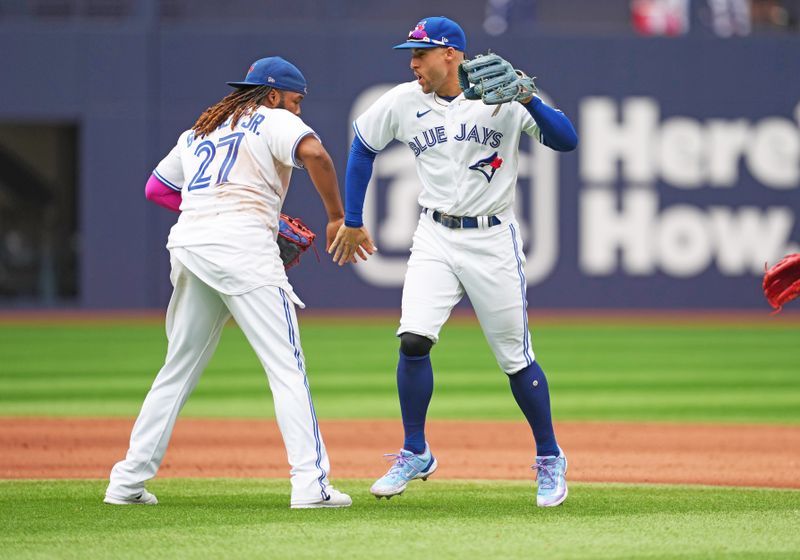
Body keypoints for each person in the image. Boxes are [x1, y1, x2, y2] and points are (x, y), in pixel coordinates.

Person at [329, 16, 578, 507]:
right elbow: (362, 146)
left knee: (514, 358)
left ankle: (550, 457)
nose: (412, 63)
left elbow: (566, 139)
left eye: (420, 53)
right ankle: (415, 450)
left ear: (450, 54)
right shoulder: (404, 100)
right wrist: (352, 218)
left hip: (491, 237)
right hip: (435, 234)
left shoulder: (501, 94)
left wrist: (528, 98)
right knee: (413, 339)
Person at [105, 56, 361, 509]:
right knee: (287, 367)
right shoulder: (273, 119)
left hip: (190, 245)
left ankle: (126, 483)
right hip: (243, 248)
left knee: (176, 369)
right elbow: (316, 154)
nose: (297, 111)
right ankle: (311, 486)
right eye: (295, 101)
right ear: (272, 94)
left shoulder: (201, 129)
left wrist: (210, 208)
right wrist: (338, 217)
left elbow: (157, 189)